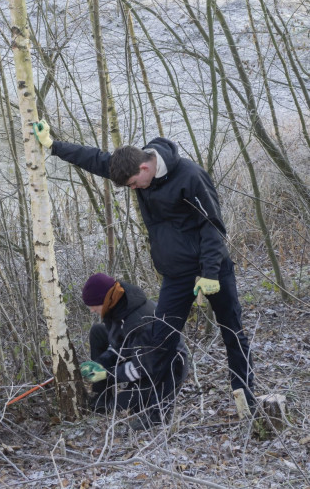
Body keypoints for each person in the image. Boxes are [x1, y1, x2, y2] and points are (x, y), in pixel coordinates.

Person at [33, 122, 255, 412]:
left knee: (232, 332)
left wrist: (210, 273)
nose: (135, 190)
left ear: (145, 169)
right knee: (159, 341)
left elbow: (212, 225)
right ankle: (155, 412)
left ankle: (246, 398)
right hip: (176, 275)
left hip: (211, 269)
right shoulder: (133, 166)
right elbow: (98, 160)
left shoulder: (190, 176)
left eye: (134, 185)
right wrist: (54, 146)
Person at [79, 272, 188, 428]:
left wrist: (107, 374)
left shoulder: (138, 321)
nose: (91, 310)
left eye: (93, 305)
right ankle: (102, 397)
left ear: (104, 299)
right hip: (145, 358)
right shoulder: (118, 304)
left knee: (126, 409)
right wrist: (100, 364)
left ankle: (155, 410)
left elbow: (141, 367)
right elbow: (120, 345)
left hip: (168, 368)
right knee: (98, 331)